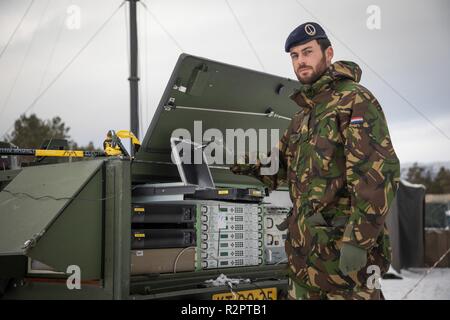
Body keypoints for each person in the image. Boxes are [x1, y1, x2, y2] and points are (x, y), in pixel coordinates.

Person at [230, 22, 400, 300]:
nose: (301, 61)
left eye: (307, 52)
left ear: (328, 53)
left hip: (344, 268)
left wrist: (358, 240)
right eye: (295, 56)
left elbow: (377, 173)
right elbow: (280, 167)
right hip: (304, 264)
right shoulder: (302, 117)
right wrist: (236, 161)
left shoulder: (355, 101)